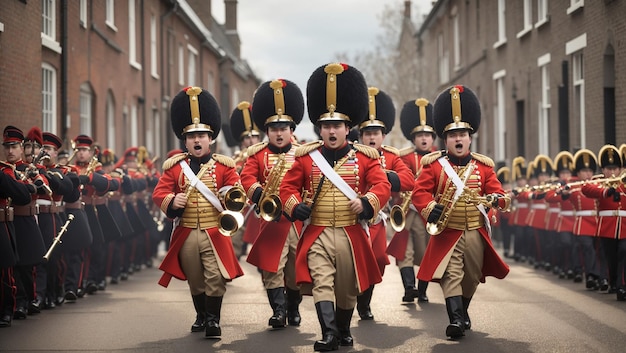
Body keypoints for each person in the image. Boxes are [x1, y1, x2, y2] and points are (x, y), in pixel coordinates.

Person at [279, 63, 390, 351]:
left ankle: (342, 327)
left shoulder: (365, 158)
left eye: (337, 126)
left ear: (347, 128)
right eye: (326, 126)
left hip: (352, 233)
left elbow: (382, 186)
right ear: (319, 128)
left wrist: (367, 203)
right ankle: (328, 333)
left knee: (347, 290)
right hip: (317, 232)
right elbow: (287, 188)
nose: (331, 131)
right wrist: (294, 206)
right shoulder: (306, 157)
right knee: (322, 282)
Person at [412, 85, 510, 339]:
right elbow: (419, 193)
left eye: (462, 134)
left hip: (475, 232)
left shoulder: (484, 167)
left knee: (471, 277)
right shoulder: (434, 165)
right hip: (448, 231)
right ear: (446, 139)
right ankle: (455, 320)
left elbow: (496, 191)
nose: (458, 139)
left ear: (470, 137)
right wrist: (430, 208)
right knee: (451, 275)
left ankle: (462, 311)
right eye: (453, 134)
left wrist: (498, 199)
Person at [152, 86, 244, 338]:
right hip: (187, 231)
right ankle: (201, 315)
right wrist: (172, 200)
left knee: (216, 276)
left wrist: (228, 196)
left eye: (202, 135)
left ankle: (213, 320)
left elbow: (235, 191)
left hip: (216, 229)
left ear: (211, 138)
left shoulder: (224, 165)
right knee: (196, 279)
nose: (197, 140)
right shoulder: (175, 167)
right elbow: (159, 193)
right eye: (192, 136)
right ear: (185, 140)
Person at [240, 78, 305, 329]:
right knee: (271, 269)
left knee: (294, 271)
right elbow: (247, 178)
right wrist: (259, 195)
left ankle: (293, 308)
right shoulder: (257, 154)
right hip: (270, 221)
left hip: (297, 221)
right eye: (274, 128)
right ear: (267, 131)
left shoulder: (304, 153)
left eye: (284, 128)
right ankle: (278, 311)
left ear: (292, 129)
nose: (279, 133)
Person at [355, 87, 414, 320]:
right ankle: (353, 302)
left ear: (384, 134)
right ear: (360, 135)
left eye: (376, 132)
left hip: (377, 219)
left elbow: (409, 180)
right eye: (367, 132)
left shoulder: (391, 156)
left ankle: (364, 301)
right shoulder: (351, 155)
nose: (371, 137)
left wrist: (383, 175)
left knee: (378, 260)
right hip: (353, 216)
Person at [386, 97, 437, 304]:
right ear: (413, 138)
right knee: (404, 251)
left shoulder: (440, 158)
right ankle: (409, 287)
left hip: (428, 211)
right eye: (419, 135)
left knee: (426, 252)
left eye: (427, 135)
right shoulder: (404, 157)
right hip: (407, 211)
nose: (424, 139)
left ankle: (422, 289)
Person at [0, 127, 34, 327]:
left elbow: (24, 195)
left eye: (14, 146)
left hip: (7, 222)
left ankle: (9, 308)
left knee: (8, 269)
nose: (10, 151)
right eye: (7, 147)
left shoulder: (7, 172)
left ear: (21, 147)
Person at [581, 145, 625, 298]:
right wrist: (605, 191)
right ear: (603, 169)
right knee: (610, 257)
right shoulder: (599, 182)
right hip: (606, 227)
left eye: (615, 168)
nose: (612, 172)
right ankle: (612, 281)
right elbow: (586, 189)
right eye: (608, 168)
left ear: (620, 169)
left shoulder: (623, 183)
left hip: (624, 227)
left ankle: (622, 286)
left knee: (623, 252)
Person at [559, 149, 601, 290]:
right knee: (587, 248)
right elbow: (552, 197)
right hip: (583, 222)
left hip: (599, 221)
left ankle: (602, 277)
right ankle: (590, 275)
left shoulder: (600, 184)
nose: (588, 173)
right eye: (584, 170)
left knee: (598, 250)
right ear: (578, 173)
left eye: (590, 170)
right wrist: (563, 192)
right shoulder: (574, 187)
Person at [229, 101, 263, 259]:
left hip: (261, 207)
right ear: (242, 141)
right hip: (242, 208)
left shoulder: (266, 156)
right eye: (247, 138)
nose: (251, 141)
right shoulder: (235, 160)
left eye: (255, 137)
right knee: (232, 242)